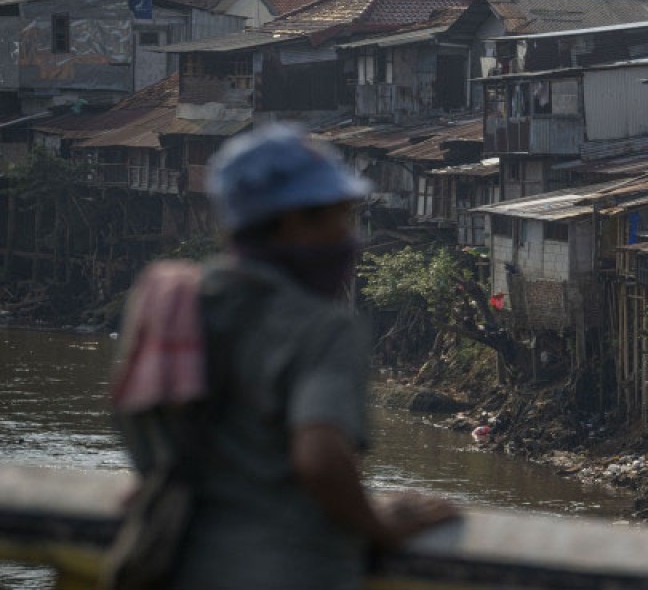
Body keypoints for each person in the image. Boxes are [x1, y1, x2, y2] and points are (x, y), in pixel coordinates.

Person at [111, 124, 456, 590]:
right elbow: (320, 460)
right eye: (341, 217)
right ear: (296, 223)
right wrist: (381, 526)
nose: (349, 236)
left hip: (176, 563)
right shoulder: (323, 327)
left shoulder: (170, 302)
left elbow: (141, 427)